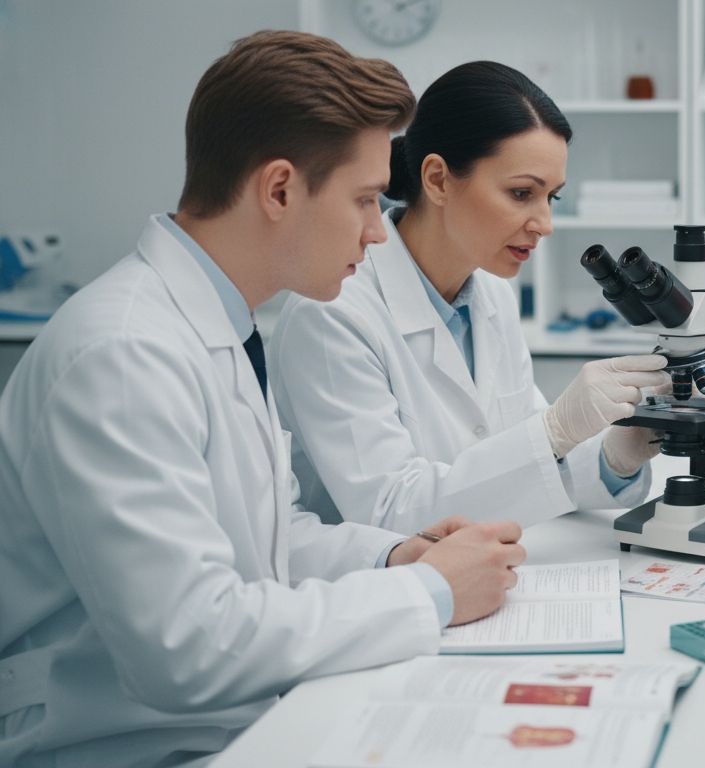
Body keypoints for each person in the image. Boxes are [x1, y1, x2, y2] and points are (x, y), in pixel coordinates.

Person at [0, 32, 524, 768]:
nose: (380, 232)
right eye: (367, 200)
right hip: (118, 745)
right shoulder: (120, 355)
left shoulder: (221, 325)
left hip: (230, 722)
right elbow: (187, 645)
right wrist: (429, 594)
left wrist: (395, 555)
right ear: (279, 189)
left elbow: (264, 542)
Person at [268, 61, 669, 535]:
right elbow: (389, 512)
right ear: (437, 179)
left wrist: (613, 457)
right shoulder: (332, 314)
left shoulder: (492, 295)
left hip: (484, 574)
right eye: (522, 193)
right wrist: (555, 429)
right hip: (381, 591)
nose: (545, 223)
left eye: (552, 198)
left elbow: (529, 467)